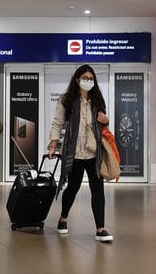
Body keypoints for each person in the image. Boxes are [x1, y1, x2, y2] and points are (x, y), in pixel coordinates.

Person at [48, 64, 113, 242]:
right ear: (77, 79)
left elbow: (103, 126)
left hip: (94, 153)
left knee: (98, 189)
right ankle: (63, 217)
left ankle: (101, 229)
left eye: (91, 79)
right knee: (73, 188)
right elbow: (57, 124)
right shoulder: (66, 100)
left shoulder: (98, 100)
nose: (88, 81)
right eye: (85, 78)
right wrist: (53, 145)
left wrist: (106, 121)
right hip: (74, 153)